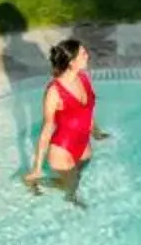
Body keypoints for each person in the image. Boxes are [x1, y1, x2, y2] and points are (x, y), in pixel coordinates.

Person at [25, 36, 103, 195]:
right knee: (70, 187)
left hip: (84, 146)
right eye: (83, 54)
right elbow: (46, 129)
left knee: (76, 178)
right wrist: (37, 168)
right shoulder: (54, 92)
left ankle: (68, 189)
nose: (87, 55)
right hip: (63, 150)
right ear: (71, 62)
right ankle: (34, 179)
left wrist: (96, 131)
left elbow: (87, 110)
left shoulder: (83, 78)